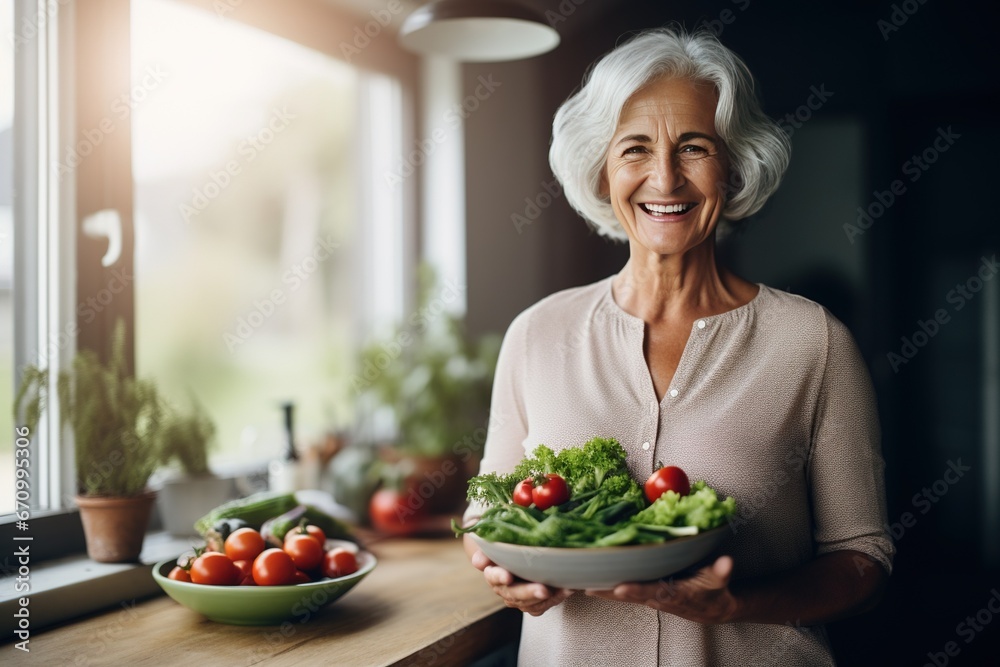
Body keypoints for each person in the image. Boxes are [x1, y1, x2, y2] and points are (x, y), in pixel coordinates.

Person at [462, 26, 894, 666]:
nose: (664, 178)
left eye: (693, 148)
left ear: (734, 164)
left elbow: (864, 564)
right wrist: (500, 572)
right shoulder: (537, 334)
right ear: (602, 167)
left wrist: (737, 604)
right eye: (634, 149)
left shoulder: (813, 342)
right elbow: (487, 513)